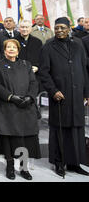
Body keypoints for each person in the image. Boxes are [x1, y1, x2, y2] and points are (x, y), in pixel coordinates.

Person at [38, 17, 89, 177]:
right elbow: (44, 72)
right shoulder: (48, 47)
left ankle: (75, 163)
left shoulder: (78, 45)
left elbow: (84, 69)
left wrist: (86, 93)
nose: (59, 30)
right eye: (56, 28)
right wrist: (53, 91)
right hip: (60, 95)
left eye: (62, 28)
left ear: (69, 28)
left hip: (77, 95)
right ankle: (59, 162)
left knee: (77, 129)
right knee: (60, 129)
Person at [0, 39, 41, 180]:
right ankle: (10, 167)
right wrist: (11, 97)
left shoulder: (26, 64)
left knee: (24, 140)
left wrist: (30, 98)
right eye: (8, 47)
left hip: (26, 107)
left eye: (14, 47)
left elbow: (33, 83)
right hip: (6, 108)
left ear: (18, 50)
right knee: (8, 139)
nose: (11, 49)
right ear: (4, 50)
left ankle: (24, 168)